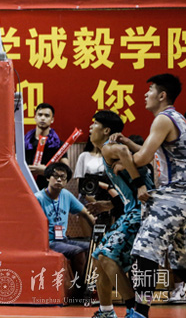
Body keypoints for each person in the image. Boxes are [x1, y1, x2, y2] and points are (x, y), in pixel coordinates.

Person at [110, 74, 186, 318]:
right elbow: (151, 154)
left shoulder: (163, 119)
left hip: (174, 196)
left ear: (162, 95)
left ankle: (140, 312)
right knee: (181, 262)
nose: (146, 94)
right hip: (181, 198)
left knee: (145, 250)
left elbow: (142, 159)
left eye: (150, 90)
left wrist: (123, 161)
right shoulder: (178, 119)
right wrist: (128, 144)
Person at [86, 110, 151, 318]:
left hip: (141, 212)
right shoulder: (108, 151)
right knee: (98, 258)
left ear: (106, 130)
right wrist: (108, 205)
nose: (90, 127)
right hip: (131, 211)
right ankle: (106, 311)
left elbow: (123, 149)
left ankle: (134, 311)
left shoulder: (109, 147)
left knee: (105, 255)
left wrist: (140, 185)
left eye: (94, 124)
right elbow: (127, 192)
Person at [35, 162, 94, 292]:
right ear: (47, 178)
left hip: (63, 239)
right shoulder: (38, 198)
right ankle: (80, 290)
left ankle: (90, 284)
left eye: (63, 177)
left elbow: (85, 213)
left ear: (66, 181)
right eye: (55, 176)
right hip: (48, 242)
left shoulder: (66, 195)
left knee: (92, 247)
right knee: (78, 251)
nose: (59, 180)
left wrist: (97, 232)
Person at [25, 103, 71, 189]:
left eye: (46, 115)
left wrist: (46, 171)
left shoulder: (58, 144)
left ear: (52, 119)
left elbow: (67, 172)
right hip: (26, 188)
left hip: (49, 191)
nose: (43, 118)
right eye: (40, 115)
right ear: (35, 117)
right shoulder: (24, 142)